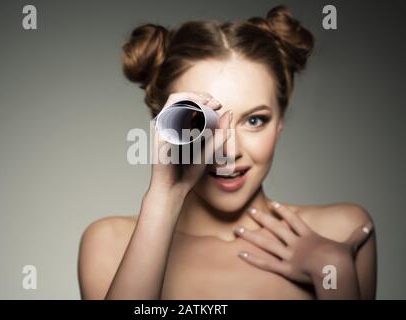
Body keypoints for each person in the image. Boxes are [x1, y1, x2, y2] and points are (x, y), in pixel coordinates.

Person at [78, 5, 377, 300]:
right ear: (166, 124)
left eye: (255, 120)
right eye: (202, 121)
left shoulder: (340, 232)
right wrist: (164, 196)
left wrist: (334, 271)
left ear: (280, 122)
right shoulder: (111, 244)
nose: (229, 151)